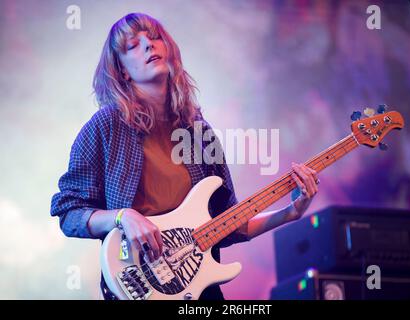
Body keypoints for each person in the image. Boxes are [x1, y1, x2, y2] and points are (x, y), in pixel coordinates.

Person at [50, 12, 319, 300]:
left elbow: (228, 225)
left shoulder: (199, 133)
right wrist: (122, 217)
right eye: (133, 45)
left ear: (168, 50)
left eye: (154, 38)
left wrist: (291, 212)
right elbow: (69, 213)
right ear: (123, 70)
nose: (148, 46)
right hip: (138, 286)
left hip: (199, 289)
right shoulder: (106, 126)